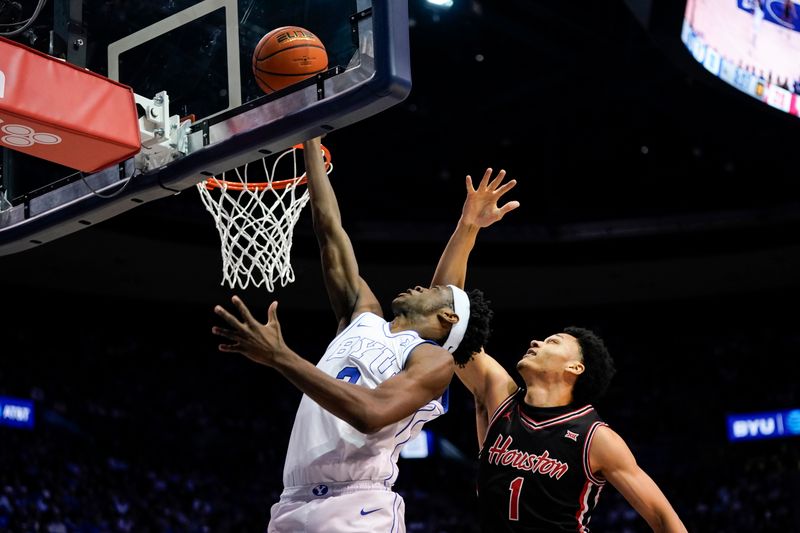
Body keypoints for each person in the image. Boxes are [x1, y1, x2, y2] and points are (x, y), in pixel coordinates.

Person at [211, 136, 515, 532]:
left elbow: (371, 415)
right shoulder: (363, 314)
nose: (420, 286)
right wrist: (311, 138)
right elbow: (329, 230)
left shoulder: (432, 359)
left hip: (358, 506)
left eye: (431, 290)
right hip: (291, 503)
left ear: (447, 320)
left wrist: (281, 356)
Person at [430, 169, 688, 532]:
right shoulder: (499, 395)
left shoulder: (595, 437)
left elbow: (664, 519)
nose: (536, 342)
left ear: (576, 368)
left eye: (553, 342)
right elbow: (441, 317)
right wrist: (468, 226)